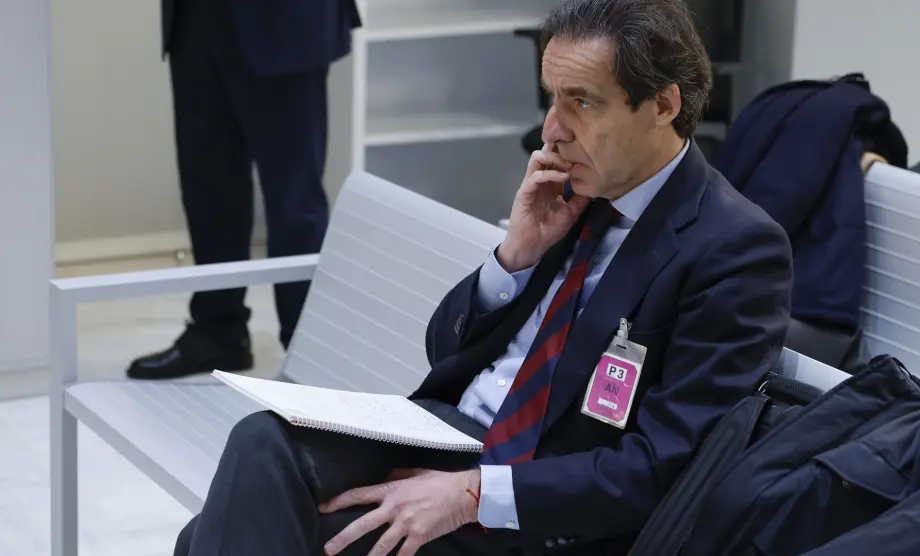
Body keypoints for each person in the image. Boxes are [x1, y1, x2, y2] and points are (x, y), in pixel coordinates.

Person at [173, 0, 794, 554]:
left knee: (216, 533)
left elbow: (664, 465)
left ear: (663, 105)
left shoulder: (735, 248)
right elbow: (443, 350)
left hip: (542, 504)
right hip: (449, 438)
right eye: (552, 97)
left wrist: (472, 495)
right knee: (263, 443)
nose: (552, 129)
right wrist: (514, 257)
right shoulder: (574, 192)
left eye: (581, 101)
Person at [127, 0, 362, 380]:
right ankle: (218, 331)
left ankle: (307, 354)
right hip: (195, 17)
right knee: (207, 190)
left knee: (293, 202)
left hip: (283, 20)